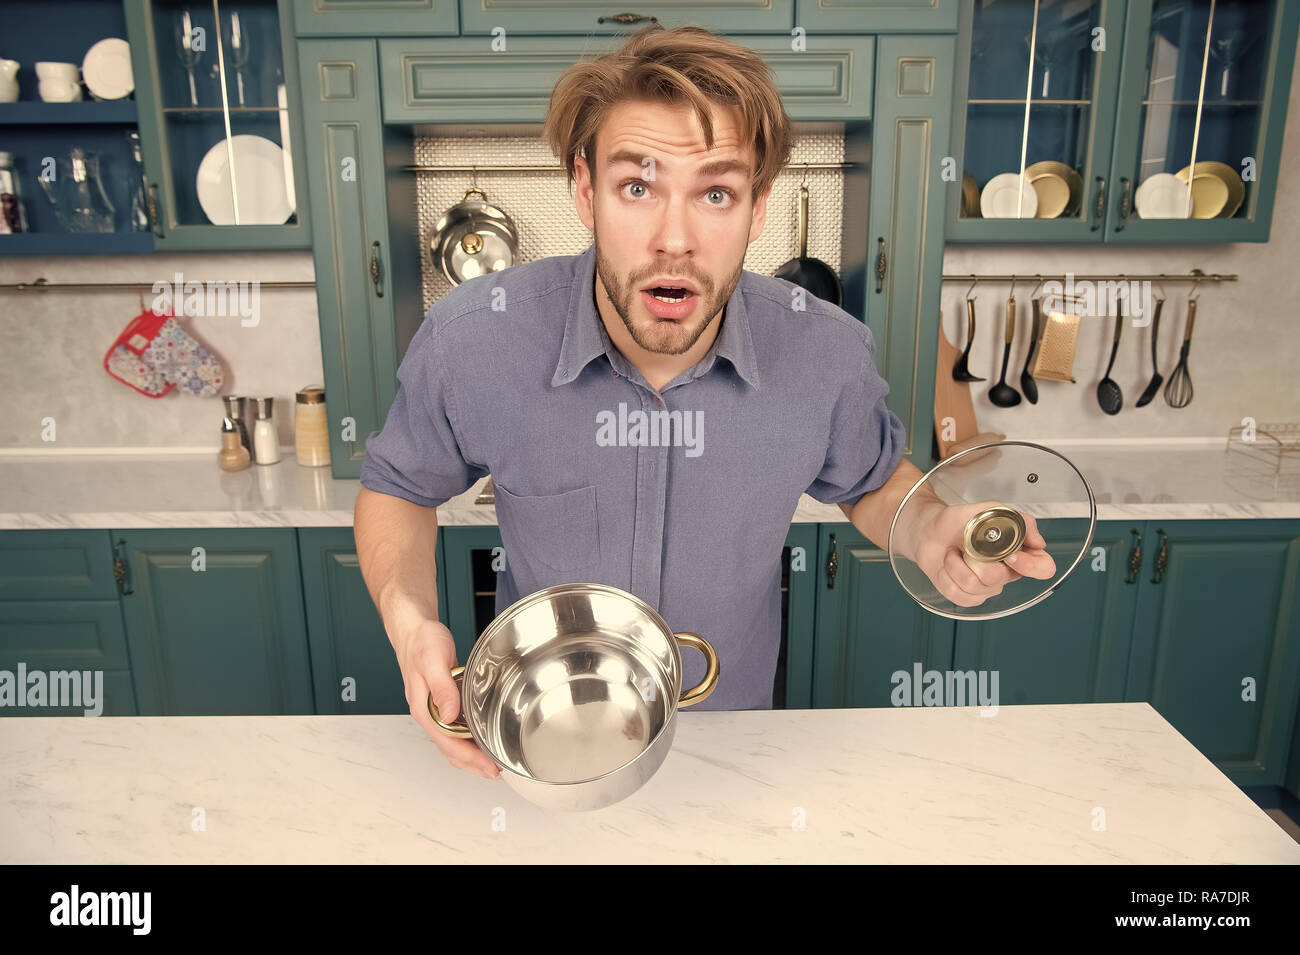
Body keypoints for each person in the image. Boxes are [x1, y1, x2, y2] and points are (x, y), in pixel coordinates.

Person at [353, 25, 1056, 780]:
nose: (674, 238)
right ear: (585, 191)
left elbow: (875, 482)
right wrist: (409, 619)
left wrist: (928, 525)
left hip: (730, 751)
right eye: (636, 186)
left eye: (715, 193)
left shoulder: (825, 353)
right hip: (547, 749)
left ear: (756, 210)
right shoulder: (474, 341)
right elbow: (397, 487)